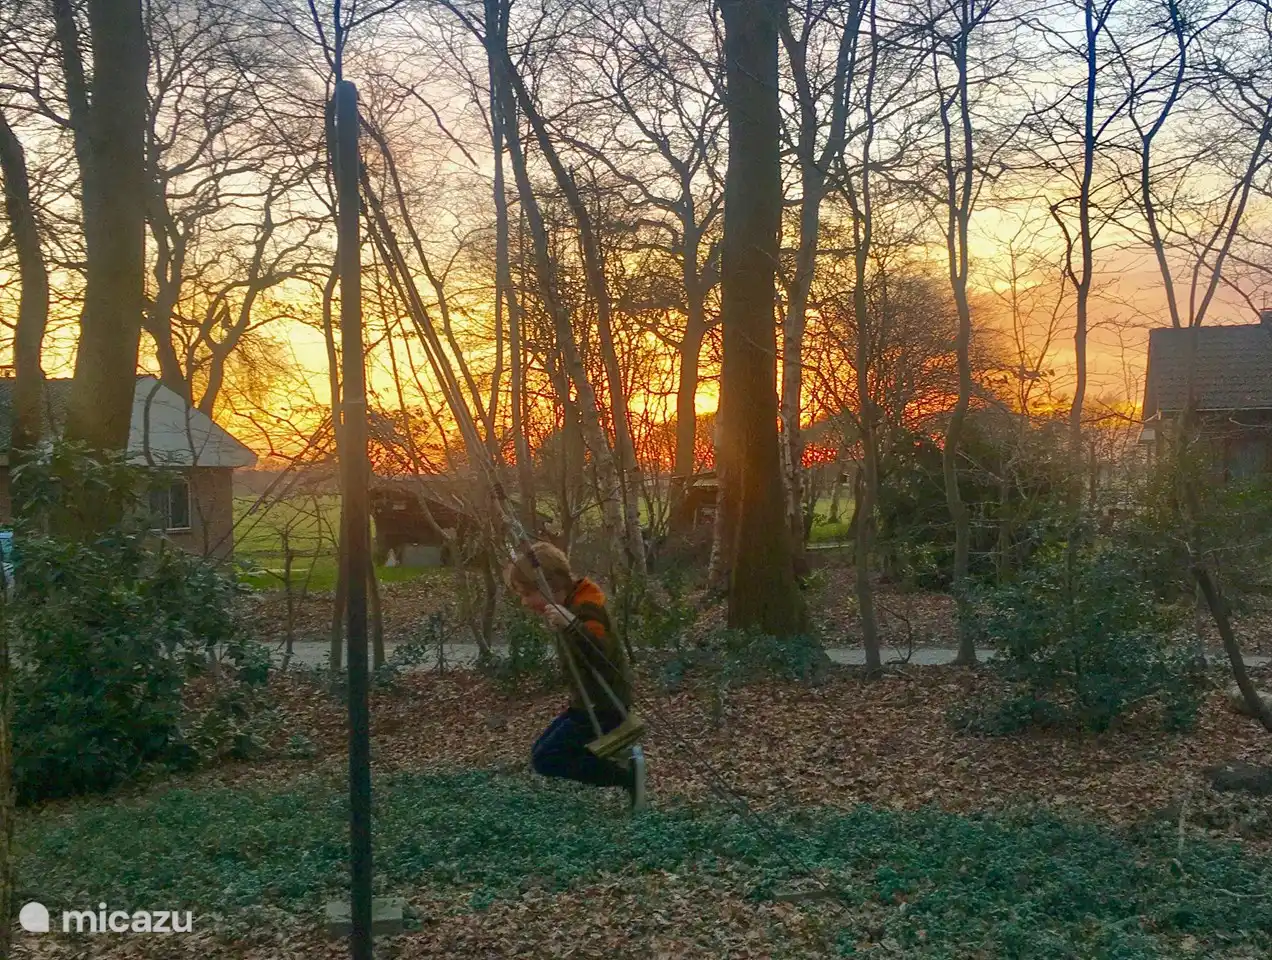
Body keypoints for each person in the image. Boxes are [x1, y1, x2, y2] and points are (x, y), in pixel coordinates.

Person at [505, 541, 648, 813]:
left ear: (550, 586)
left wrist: (572, 625)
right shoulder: (572, 603)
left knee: (546, 758)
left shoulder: (586, 609)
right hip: (587, 703)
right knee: (540, 752)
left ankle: (627, 776)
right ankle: (621, 763)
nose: (524, 602)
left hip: (604, 705)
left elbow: (601, 653)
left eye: (527, 594)